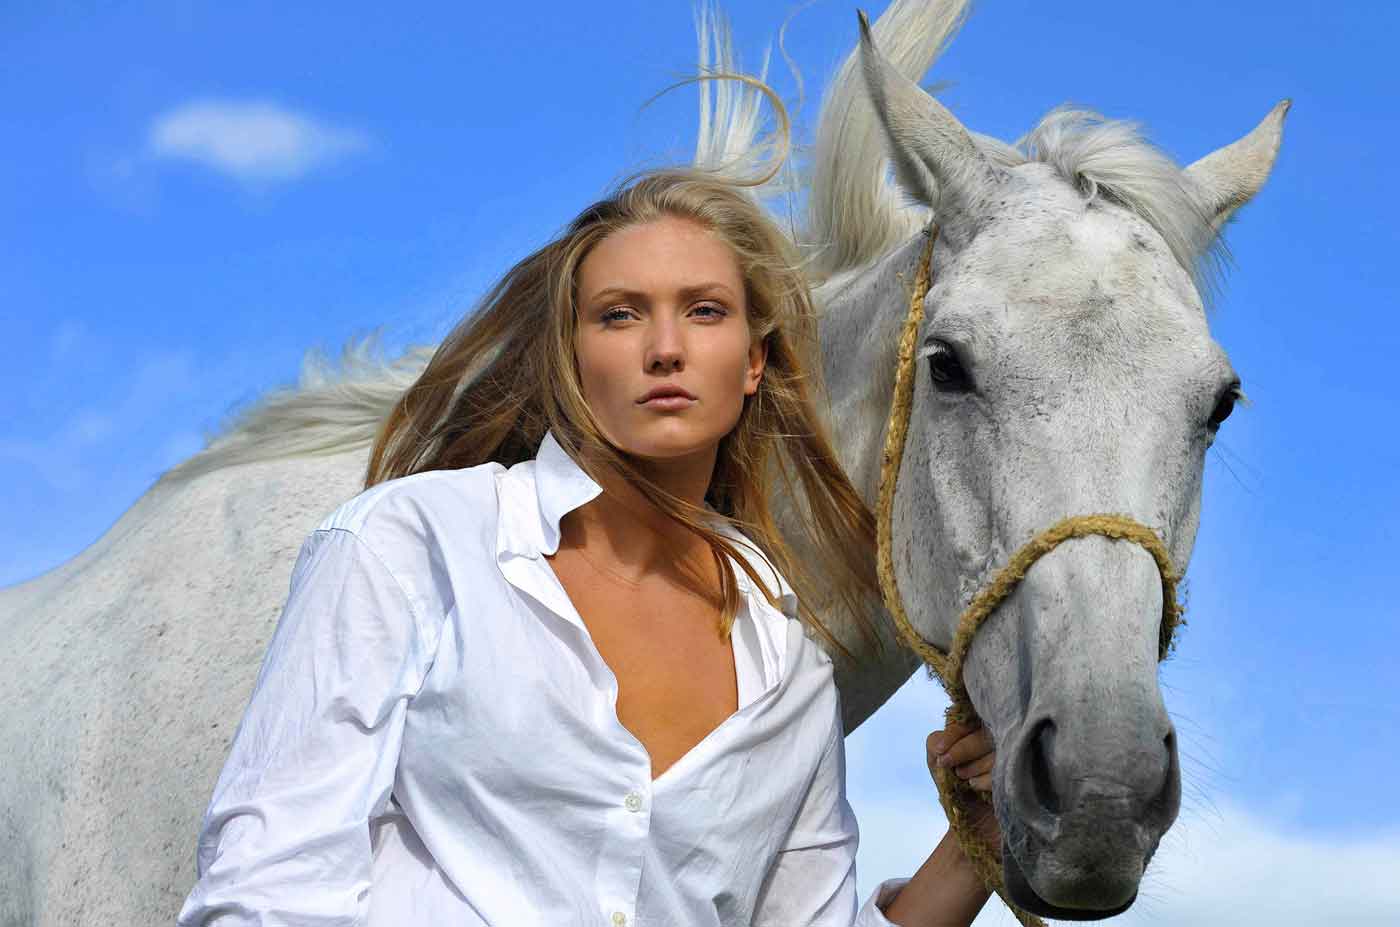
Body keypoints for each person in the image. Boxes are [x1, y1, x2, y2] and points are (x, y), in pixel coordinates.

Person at [176, 165, 999, 926]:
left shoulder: (790, 672)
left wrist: (978, 847)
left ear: (753, 362)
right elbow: (265, 888)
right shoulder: (411, 544)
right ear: (570, 355)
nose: (665, 347)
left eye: (704, 310)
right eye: (620, 314)